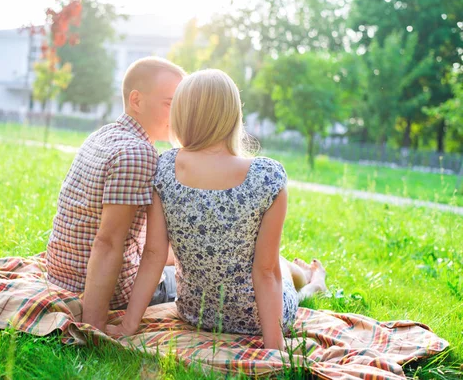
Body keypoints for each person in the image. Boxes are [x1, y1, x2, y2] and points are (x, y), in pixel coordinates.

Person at [107, 69, 327, 350]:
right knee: (277, 263)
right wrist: (274, 346)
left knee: (274, 261)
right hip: (257, 320)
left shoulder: (165, 168)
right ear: (234, 114)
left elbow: (153, 255)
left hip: (195, 313)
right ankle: (312, 286)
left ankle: (308, 278)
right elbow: (266, 271)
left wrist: (128, 325)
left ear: (182, 114)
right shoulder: (267, 177)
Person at [46, 57, 186, 331]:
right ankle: (292, 278)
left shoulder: (104, 135)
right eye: (170, 104)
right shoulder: (138, 153)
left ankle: (289, 268)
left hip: (61, 273)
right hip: (108, 289)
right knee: (201, 273)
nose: (178, 116)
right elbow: (108, 242)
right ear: (136, 100)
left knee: (174, 251)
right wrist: (94, 324)